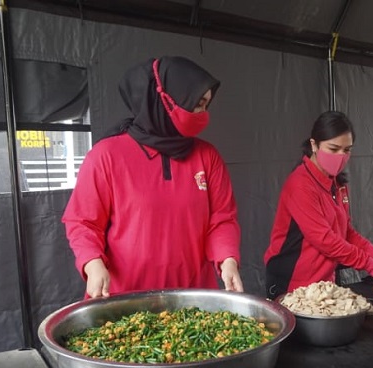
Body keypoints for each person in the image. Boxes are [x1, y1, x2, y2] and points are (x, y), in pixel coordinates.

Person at [62, 56, 243, 298]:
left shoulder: (207, 156)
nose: (202, 114)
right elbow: (83, 222)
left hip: (194, 298)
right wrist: (93, 263)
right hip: (125, 300)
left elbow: (222, 219)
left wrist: (227, 258)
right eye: (196, 104)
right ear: (164, 100)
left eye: (206, 105)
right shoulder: (106, 156)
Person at [263, 111, 373, 298]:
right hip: (292, 284)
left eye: (347, 150)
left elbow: (346, 233)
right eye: (333, 149)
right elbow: (325, 240)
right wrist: (372, 266)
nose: (341, 156)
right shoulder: (300, 184)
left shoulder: (337, 184)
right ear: (314, 145)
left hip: (323, 286)